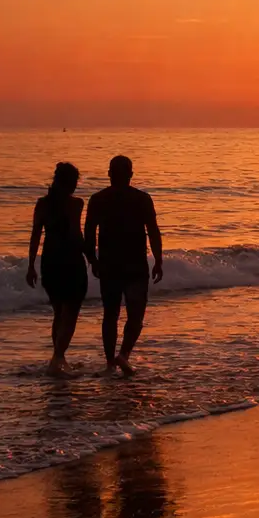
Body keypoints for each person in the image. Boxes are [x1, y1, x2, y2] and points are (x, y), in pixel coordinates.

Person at [85, 155, 164, 376]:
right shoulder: (142, 199)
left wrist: (92, 260)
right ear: (131, 174)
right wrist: (158, 260)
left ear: (109, 174)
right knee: (135, 315)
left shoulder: (98, 199)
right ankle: (124, 355)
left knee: (110, 315)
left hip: (110, 265)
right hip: (135, 265)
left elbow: (89, 234)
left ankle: (111, 363)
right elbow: (153, 232)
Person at [26, 162, 93, 376]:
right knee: (70, 314)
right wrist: (92, 258)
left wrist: (31, 266)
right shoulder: (76, 204)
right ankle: (58, 358)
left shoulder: (42, 204)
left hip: (51, 261)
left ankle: (57, 358)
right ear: (71, 182)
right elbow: (76, 234)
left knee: (59, 313)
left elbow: (36, 235)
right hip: (71, 261)